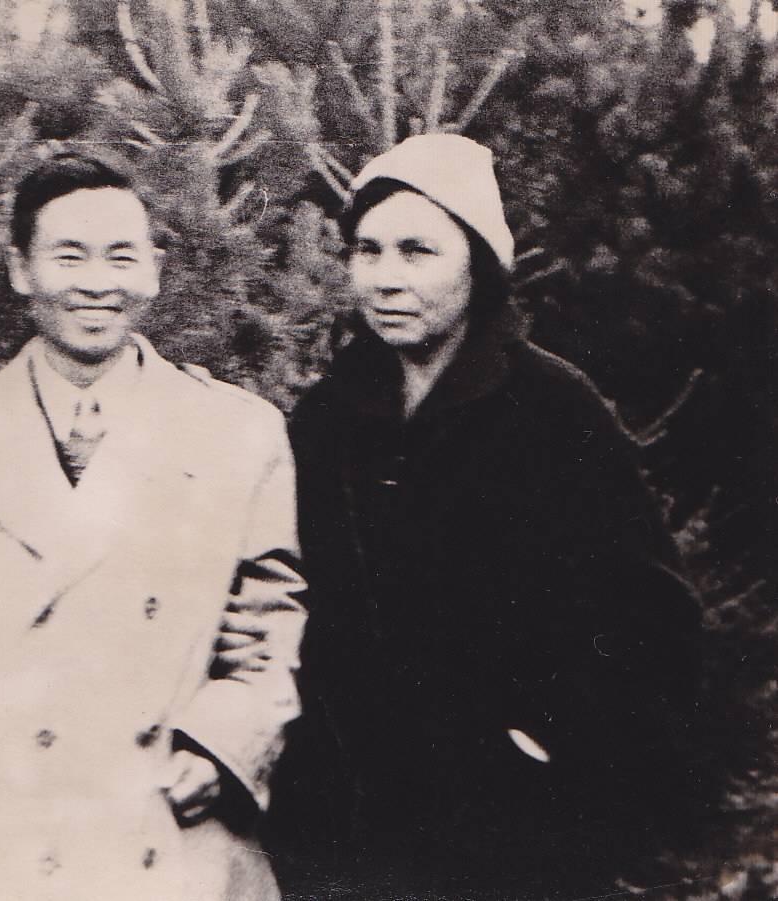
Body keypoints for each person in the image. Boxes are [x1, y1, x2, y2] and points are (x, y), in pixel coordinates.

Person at [0, 153, 306, 901]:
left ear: (154, 270)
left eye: (121, 256)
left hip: (176, 841)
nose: (97, 282)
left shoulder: (238, 433)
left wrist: (221, 751)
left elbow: (267, 625)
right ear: (20, 271)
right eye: (69, 255)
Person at [267, 134, 704, 899]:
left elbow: (653, 619)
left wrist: (550, 751)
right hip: (346, 839)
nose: (387, 278)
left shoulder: (554, 411)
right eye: (369, 250)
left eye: (418, 251)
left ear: (478, 264)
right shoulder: (327, 417)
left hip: (511, 842)